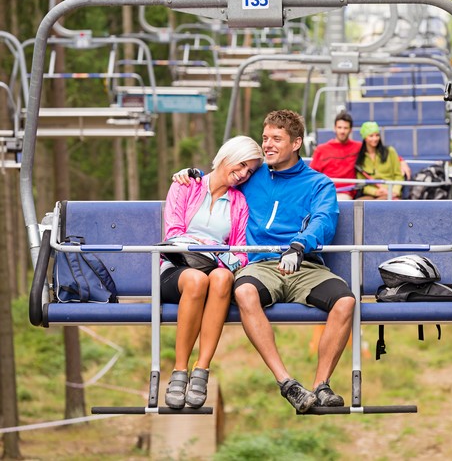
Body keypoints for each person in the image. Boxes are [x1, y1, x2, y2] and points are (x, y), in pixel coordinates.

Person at [174, 110, 356, 413]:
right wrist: (192, 177)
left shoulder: (317, 184)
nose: (267, 145)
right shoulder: (253, 177)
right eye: (265, 138)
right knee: (243, 291)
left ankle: (321, 385)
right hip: (261, 265)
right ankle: (287, 383)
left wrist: (300, 246)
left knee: (346, 302)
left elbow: (324, 220)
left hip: (304, 263)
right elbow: (221, 179)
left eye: (276, 139)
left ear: (296, 142)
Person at [161, 135, 264, 410]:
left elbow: (240, 252)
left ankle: (201, 370)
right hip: (177, 269)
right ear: (227, 155)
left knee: (222, 278)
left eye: (249, 171)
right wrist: (212, 246)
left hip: (215, 269)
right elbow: (173, 234)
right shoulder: (186, 186)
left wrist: (217, 255)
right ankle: (179, 370)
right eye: (241, 165)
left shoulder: (239, 203)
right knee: (196, 280)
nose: (243, 174)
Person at [310, 111, 412, 200]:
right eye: (339, 127)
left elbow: (380, 151)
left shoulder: (358, 148)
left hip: (345, 193)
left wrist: (401, 161)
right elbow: (312, 175)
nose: (342, 131)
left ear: (350, 130)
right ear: (334, 128)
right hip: (325, 191)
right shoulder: (321, 149)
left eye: (345, 128)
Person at [355, 121, 404, 200]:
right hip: (371, 194)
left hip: (390, 192)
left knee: (379, 204)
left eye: (377, 135)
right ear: (365, 138)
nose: (375, 139)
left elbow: (398, 176)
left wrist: (395, 191)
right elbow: (361, 183)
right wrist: (375, 192)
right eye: (371, 136)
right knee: (358, 204)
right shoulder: (360, 157)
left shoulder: (390, 151)